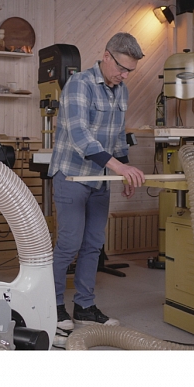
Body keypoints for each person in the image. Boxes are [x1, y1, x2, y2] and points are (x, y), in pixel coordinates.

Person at [48, 32, 146, 347]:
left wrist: (124, 171)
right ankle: (52, 306)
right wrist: (119, 168)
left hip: (102, 178)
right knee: (69, 244)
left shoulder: (121, 90)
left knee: (93, 245)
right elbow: (80, 135)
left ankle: (85, 308)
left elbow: (117, 137)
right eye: (122, 68)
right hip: (72, 175)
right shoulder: (80, 84)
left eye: (130, 71)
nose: (125, 75)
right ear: (106, 56)